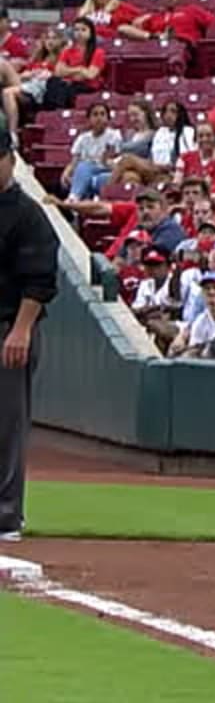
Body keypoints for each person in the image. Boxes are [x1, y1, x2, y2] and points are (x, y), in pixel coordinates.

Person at [0, 127, 51, 542]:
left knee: (6, 424)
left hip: (8, 328)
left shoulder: (27, 213)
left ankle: (5, 517)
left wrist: (21, 330)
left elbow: (40, 280)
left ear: (11, 160)